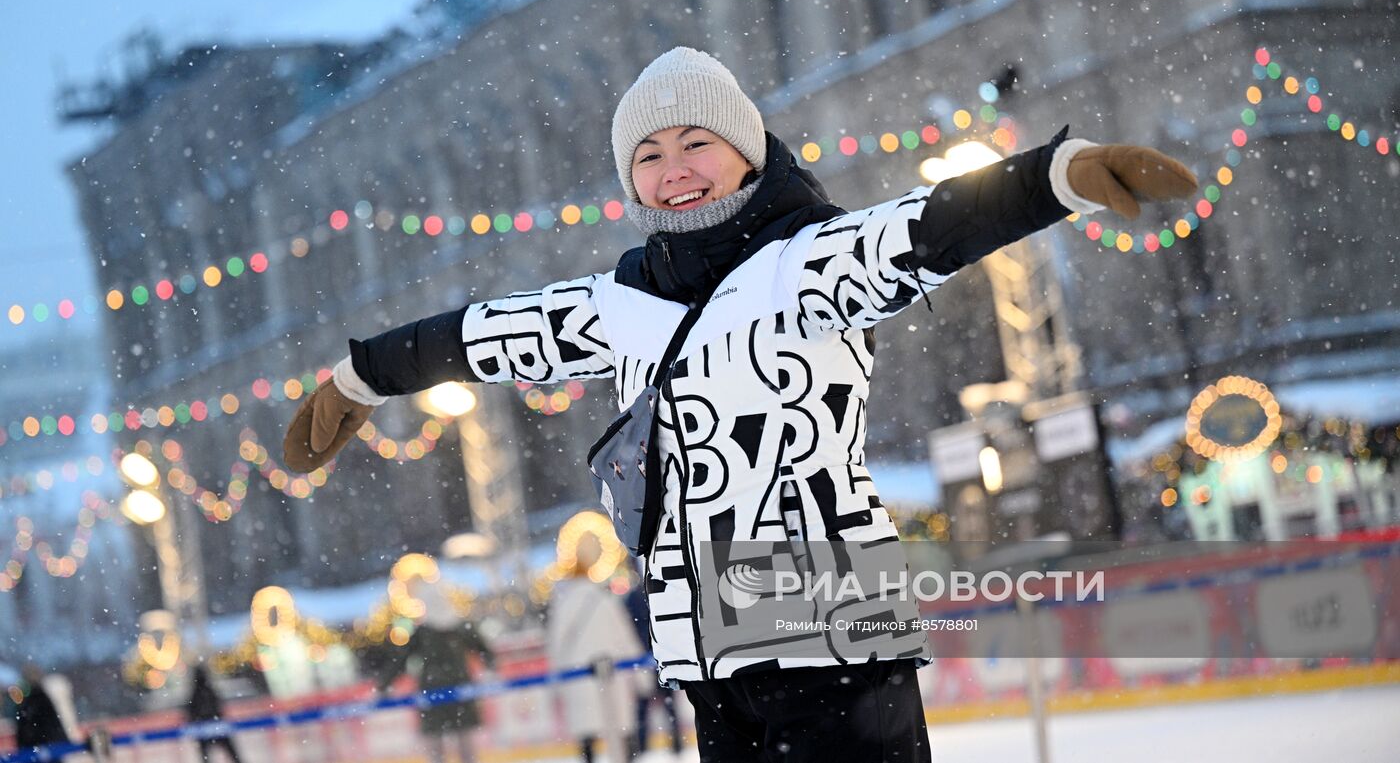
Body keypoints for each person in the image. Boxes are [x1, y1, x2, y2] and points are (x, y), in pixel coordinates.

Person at [285, 46, 1197, 761]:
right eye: (648, 154)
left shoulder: (810, 262)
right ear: (628, 179)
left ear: (745, 151)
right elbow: (485, 333)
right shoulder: (619, 303)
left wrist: (1058, 175)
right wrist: (364, 376)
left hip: (824, 621)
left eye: (696, 143)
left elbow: (930, 226)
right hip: (702, 650)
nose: (673, 168)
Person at [545, 531, 642, 763]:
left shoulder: (564, 604)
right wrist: (642, 678)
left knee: (587, 737)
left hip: (578, 676)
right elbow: (625, 638)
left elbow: (556, 645)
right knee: (620, 732)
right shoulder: (605, 601)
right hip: (611, 674)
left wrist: (556, 683)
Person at [378, 580, 495, 763]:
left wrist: (384, 685)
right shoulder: (455, 627)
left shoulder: (432, 631)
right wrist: (491, 666)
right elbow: (484, 649)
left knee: (446, 745)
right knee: (457, 744)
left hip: (439, 691)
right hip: (450, 689)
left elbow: (399, 661)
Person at [625, 573, 683, 758]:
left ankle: (644, 745)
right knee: (663, 702)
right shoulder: (658, 588)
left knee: (646, 704)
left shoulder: (634, 596)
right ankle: (673, 743)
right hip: (657, 654)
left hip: (646, 656)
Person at [12, 664, 76, 760]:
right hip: (46, 748)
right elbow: (53, 724)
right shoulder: (38, 697)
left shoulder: (31, 699)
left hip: (40, 748)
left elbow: (29, 727)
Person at [185, 662, 244, 763]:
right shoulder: (207, 690)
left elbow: (191, 711)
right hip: (213, 725)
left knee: (207, 755)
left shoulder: (197, 692)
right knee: (230, 753)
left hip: (207, 726)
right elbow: (217, 706)